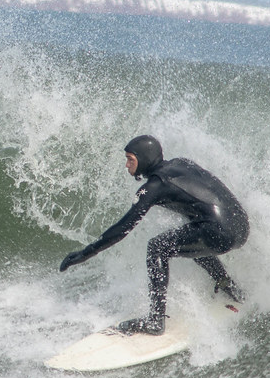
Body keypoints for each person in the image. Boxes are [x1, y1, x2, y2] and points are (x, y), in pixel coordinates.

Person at [59, 135, 249, 335]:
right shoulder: (182, 163)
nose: (127, 165)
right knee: (191, 235)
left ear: (144, 159)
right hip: (241, 227)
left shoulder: (155, 186)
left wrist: (85, 253)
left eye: (130, 159)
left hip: (220, 233)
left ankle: (155, 320)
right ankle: (228, 286)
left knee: (157, 247)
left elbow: (123, 228)